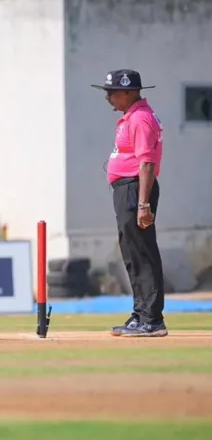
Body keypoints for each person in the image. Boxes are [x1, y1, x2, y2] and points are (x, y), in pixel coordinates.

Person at [91, 69, 167, 337]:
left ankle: (152, 319)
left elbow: (146, 162)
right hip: (128, 189)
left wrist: (144, 204)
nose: (108, 97)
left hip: (136, 189)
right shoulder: (131, 117)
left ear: (129, 91)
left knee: (142, 252)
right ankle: (141, 313)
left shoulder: (141, 119)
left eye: (112, 92)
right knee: (132, 252)